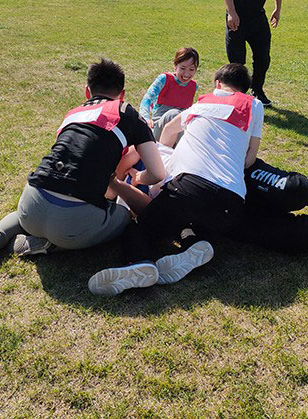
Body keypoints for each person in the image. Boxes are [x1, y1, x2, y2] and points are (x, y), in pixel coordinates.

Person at [0, 59, 165, 279]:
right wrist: (137, 177)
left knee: (22, 214)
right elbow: (157, 173)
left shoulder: (73, 114)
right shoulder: (129, 115)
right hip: (74, 224)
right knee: (123, 216)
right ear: (122, 95)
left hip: (32, 202)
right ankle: (49, 245)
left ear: (87, 91)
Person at [88, 63, 264, 295]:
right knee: (187, 218)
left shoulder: (203, 103)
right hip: (232, 203)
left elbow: (170, 130)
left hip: (189, 188)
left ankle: (139, 262)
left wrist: (167, 157)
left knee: (142, 227)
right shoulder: (255, 105)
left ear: (217, 84)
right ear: (245, 89)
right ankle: (195, 243)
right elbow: (249, 159)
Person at [139, 47, 199, 140]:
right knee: (173, 114)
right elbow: (147, 100)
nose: (186, 74)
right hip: (160, 127)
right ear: (175, 66)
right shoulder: (164, 79)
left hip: (179, 131)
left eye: (191, 69)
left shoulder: (193, 86)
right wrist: (146, 118)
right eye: (182, 68)